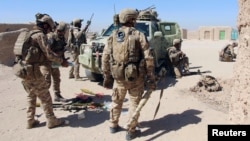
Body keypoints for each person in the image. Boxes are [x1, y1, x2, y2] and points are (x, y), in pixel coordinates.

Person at [101, 8, 156, 140]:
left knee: (116, 101)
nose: (136, 21)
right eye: (135, 19)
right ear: (131, 19)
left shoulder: (113, 35)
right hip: (135, 77)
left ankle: (113, 125)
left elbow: (105, 57)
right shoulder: (139, 35)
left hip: (118, 76)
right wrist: (151, 77)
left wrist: (106, 76)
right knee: (133, 103)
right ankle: (131, 130)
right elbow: (149, 58)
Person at [18, 13, 68, 129]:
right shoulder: (40, 35)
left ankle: (30, 121)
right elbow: (49, 54)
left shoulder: (28, 34)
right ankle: (51, 120)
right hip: (34, 71)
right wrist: (61, 61)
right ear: (45, 26)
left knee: (31, 95)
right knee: (45, 95)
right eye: (49, 28)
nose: (49, 30)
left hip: (23, 70)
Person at [44, 21, 68, 102]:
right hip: (46, 63)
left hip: (55, 62)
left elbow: (62, 50)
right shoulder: (51, 37)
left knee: (57, 79)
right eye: (61, 31)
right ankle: (44, 100)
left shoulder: (62, 37)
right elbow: (48, 51)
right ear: (58, 30)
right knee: (46, 82)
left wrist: (63, 60)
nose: (63, 33)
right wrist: (60, 59)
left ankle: (57, 95)